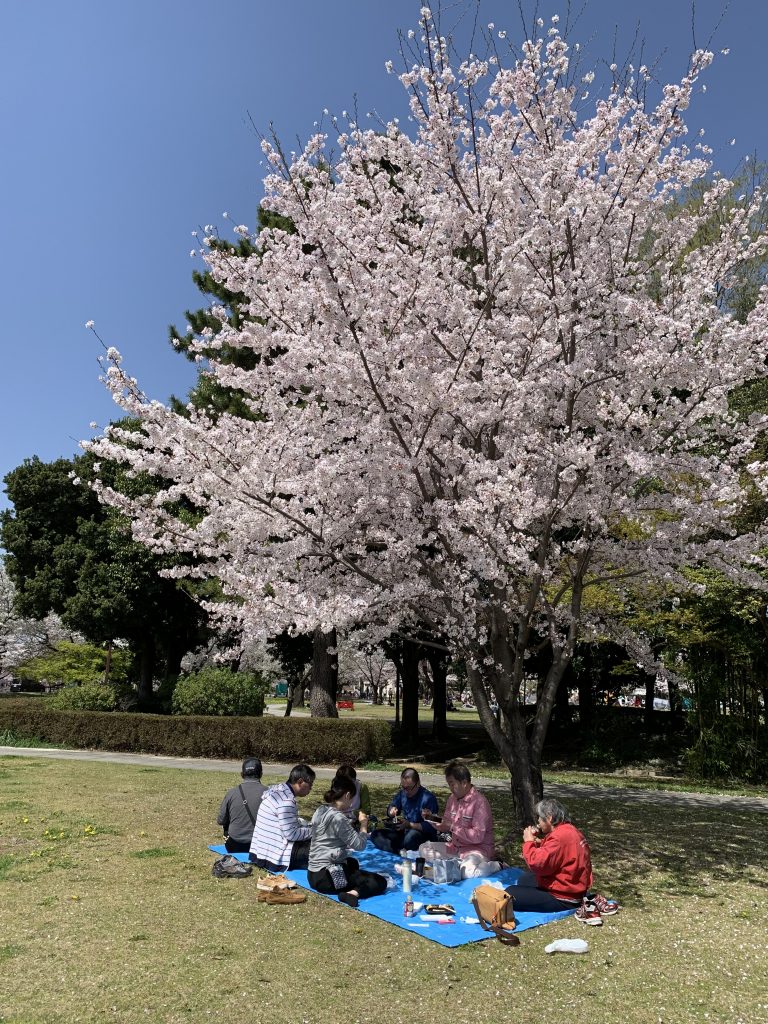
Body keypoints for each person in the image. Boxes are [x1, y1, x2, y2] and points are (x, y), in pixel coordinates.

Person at [508, 798, 619, 925]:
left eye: (539, 817)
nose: (538, 821)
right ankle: (582, 899)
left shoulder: (558, 837)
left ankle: (574, 905)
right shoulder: (569, 830)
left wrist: (528, 842)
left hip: (564, 897)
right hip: (574, 887)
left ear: (549, 818)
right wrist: (537, 842)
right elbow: (556, 853)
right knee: (524, 879)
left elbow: (537, 864)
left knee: (509, 894)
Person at [307, 775, 387, 908]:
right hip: (327, 878)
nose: (351, 804)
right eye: (352, 799)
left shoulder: (320, 810)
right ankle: (352, 893)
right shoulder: (338, 819)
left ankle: (348, 886)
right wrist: (363, 824)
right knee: (379, 881)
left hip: (312, 873)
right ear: (348, 795)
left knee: (352, 862)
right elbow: (360, 845)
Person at [419, 761, 500, 878]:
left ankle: (497, 865)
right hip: (456, 848)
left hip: (477, 850)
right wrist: (430, 818)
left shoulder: (480, 802)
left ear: (464, 783)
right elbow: (445, 823)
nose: (450, 788)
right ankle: (455, 864)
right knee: (423, 848)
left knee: (466, 872)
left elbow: (477, 836)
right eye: (449, 784)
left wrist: (452, 826)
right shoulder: (452, 799)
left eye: (452, 784)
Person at [249, 764, 315, 872]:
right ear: (300, 782)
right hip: (275, 857)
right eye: (310, 784)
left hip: (260, 852)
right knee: (322, 850)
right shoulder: (286, 801)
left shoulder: (277, 790)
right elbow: (291, 835)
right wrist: (314, 831)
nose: (311, 788)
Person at [370, 768, 439, 854]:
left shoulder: (428, 798)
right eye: (403, 787)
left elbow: (432, 826)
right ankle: (399, 851)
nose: (406, 791)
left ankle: (396, 848)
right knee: (375, 834)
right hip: (404, 832)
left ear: (418, 784)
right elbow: (392, 806)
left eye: (409, 788)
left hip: (422, 835)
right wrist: (391, 811)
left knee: (410, 838)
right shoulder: (402, 794)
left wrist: (410, 825)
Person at [217, 757, 267, 853]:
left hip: (234, 846)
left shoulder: (231, 793)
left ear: (242, 774)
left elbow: (221, 820)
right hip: (261, 847)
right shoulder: (270, 794)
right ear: (261, 774)